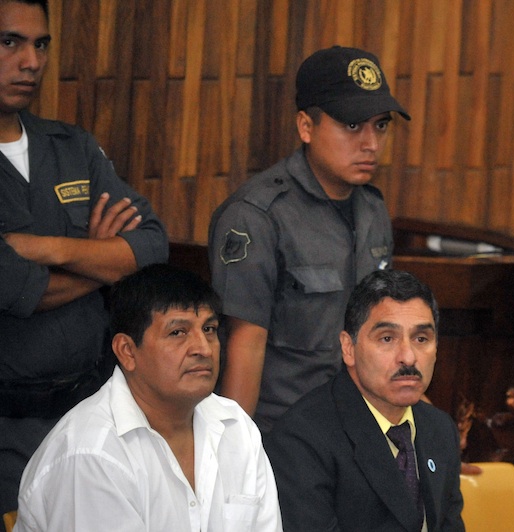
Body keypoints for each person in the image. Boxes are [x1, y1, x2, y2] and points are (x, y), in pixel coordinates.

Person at [0, 0, 169, 513]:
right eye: (10, 42)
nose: (31, 61)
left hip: (93, 412)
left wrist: (47, 249)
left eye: (41, 44)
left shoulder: (71, 146)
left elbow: (152, 244)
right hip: (7, 428)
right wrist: (102, 262)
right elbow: (15, 287)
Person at [208, 45, 409, 432]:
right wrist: (235, 461)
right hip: (281, 434)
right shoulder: (258, 215)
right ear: (306, 126)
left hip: (356, 428)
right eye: (352, 125)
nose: (370, 143)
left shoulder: (372, 209)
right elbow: (243, 350)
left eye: (381, 125)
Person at [14, 264, 282, 531]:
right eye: (178, 332)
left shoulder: (236, 426)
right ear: (127, 351)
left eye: (209, 329)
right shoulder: (92, 452)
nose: (203, 348)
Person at [265, 269, 463, 531]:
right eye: (387, 338)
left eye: (421, 339)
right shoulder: (302, 440)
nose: (408, 357)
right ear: (348, 348)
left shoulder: (441, 429)